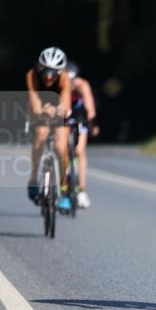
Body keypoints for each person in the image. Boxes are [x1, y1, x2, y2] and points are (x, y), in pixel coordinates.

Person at [25, 47, 72, 211]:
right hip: (40, 106)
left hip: (58, 108)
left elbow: (66, 106)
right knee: (40, 134)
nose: (49, 77)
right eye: (46, 72)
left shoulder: (65, 79)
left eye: (53, 73)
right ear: (40, 69)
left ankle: (64, 191)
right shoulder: (32, 76)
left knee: (60, 148)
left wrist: (59, 110)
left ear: (60, 72)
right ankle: (33, 179)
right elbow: (34, 103)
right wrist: (43, 111)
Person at [66, 60, 100, 208]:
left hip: (79, 118)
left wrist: (92, 123)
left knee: (79, 151)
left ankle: (81, 190)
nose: (70, 83)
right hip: (62, 118)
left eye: (72, 80)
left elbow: (90, 106)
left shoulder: (82, 85)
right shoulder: (57, 85)